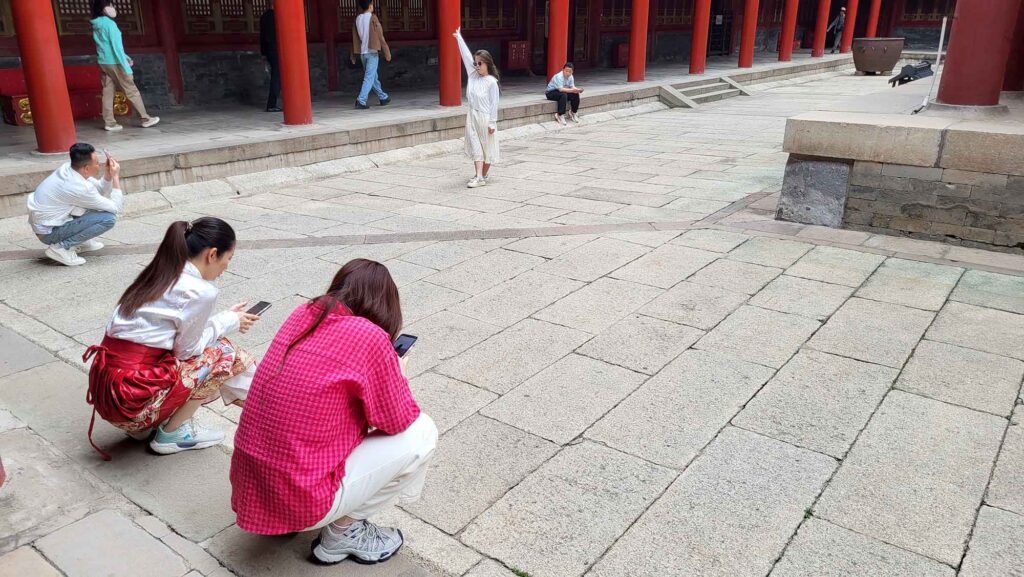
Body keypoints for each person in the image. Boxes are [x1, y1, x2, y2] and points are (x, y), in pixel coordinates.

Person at [231, 259, 437, 566]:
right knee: (422, 433)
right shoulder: (370, 337)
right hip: (300, 498)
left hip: (250, 488)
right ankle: (343, 533)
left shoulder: (303, 314)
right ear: (386, 304)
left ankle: (287, 519)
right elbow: (397, 420)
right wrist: (398, 375)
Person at [83, 218, 260, 459]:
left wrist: (225, 319)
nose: (226, 267)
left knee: (212, 347)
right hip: (133, 404)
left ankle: (147, 427)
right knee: (225, 353)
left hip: (111, 397)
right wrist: (227, 322)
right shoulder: (200, 290)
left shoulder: (158, 273)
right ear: (212, 254)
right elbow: (187, 351)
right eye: (229, 259)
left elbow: (170, 335)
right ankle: (173, 434)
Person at [27, 143, 122, 267]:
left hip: (48, 225)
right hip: (49, 234)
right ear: (86, 168)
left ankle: (81, 241)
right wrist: (115, 177)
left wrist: (108, 175)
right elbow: (116, 208)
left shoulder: (69, 168)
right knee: (108, 218)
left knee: (89, 205)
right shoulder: (79, 187)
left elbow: (98, 190)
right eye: (97, 163)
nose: (100, 165)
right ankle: (61, 248)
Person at [90, 0, 159, 131]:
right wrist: (125, 66)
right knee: (131, 89)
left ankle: (109, 123)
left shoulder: (96, 24)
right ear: (104, 8)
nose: (113, 7)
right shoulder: (110, 24)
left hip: (104, 62)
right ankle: (145, 118)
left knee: (107, 92)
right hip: (115, 62)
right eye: (110, 5)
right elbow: (116, 47)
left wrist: (125, 56)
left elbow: (106, 46)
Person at [453, 27, 500, 188]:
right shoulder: (473, 76)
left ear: (487, 63)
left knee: (487, 149)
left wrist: (492, 122)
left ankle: (482, 174)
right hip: (472, 116)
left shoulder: (492, 82)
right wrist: (459, 38)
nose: (477, 66)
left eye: (480, 63)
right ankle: (479, 176)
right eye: (476, 63)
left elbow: (494, 104)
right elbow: (466, 57)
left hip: (485, 117)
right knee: (475, 145)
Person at [352, 0, 392, 110]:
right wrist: (387, 52)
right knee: (369, 77)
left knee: (373, 77)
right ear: (370, 5)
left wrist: (353, 54)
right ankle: (361, 100)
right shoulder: (373, 18)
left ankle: (383, 97)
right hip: (372, 52)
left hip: (362, 53)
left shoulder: (358, 19)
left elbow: (354, 38)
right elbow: (380, 36)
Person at [260, 8, 281, 113]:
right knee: (277, 77)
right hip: (279, 49)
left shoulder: (264, 16)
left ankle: (273, 103)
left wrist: (263, 53)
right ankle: (272, 104)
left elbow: (262, 37)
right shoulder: (279, 15)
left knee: (276, 76)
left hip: (269, 50)